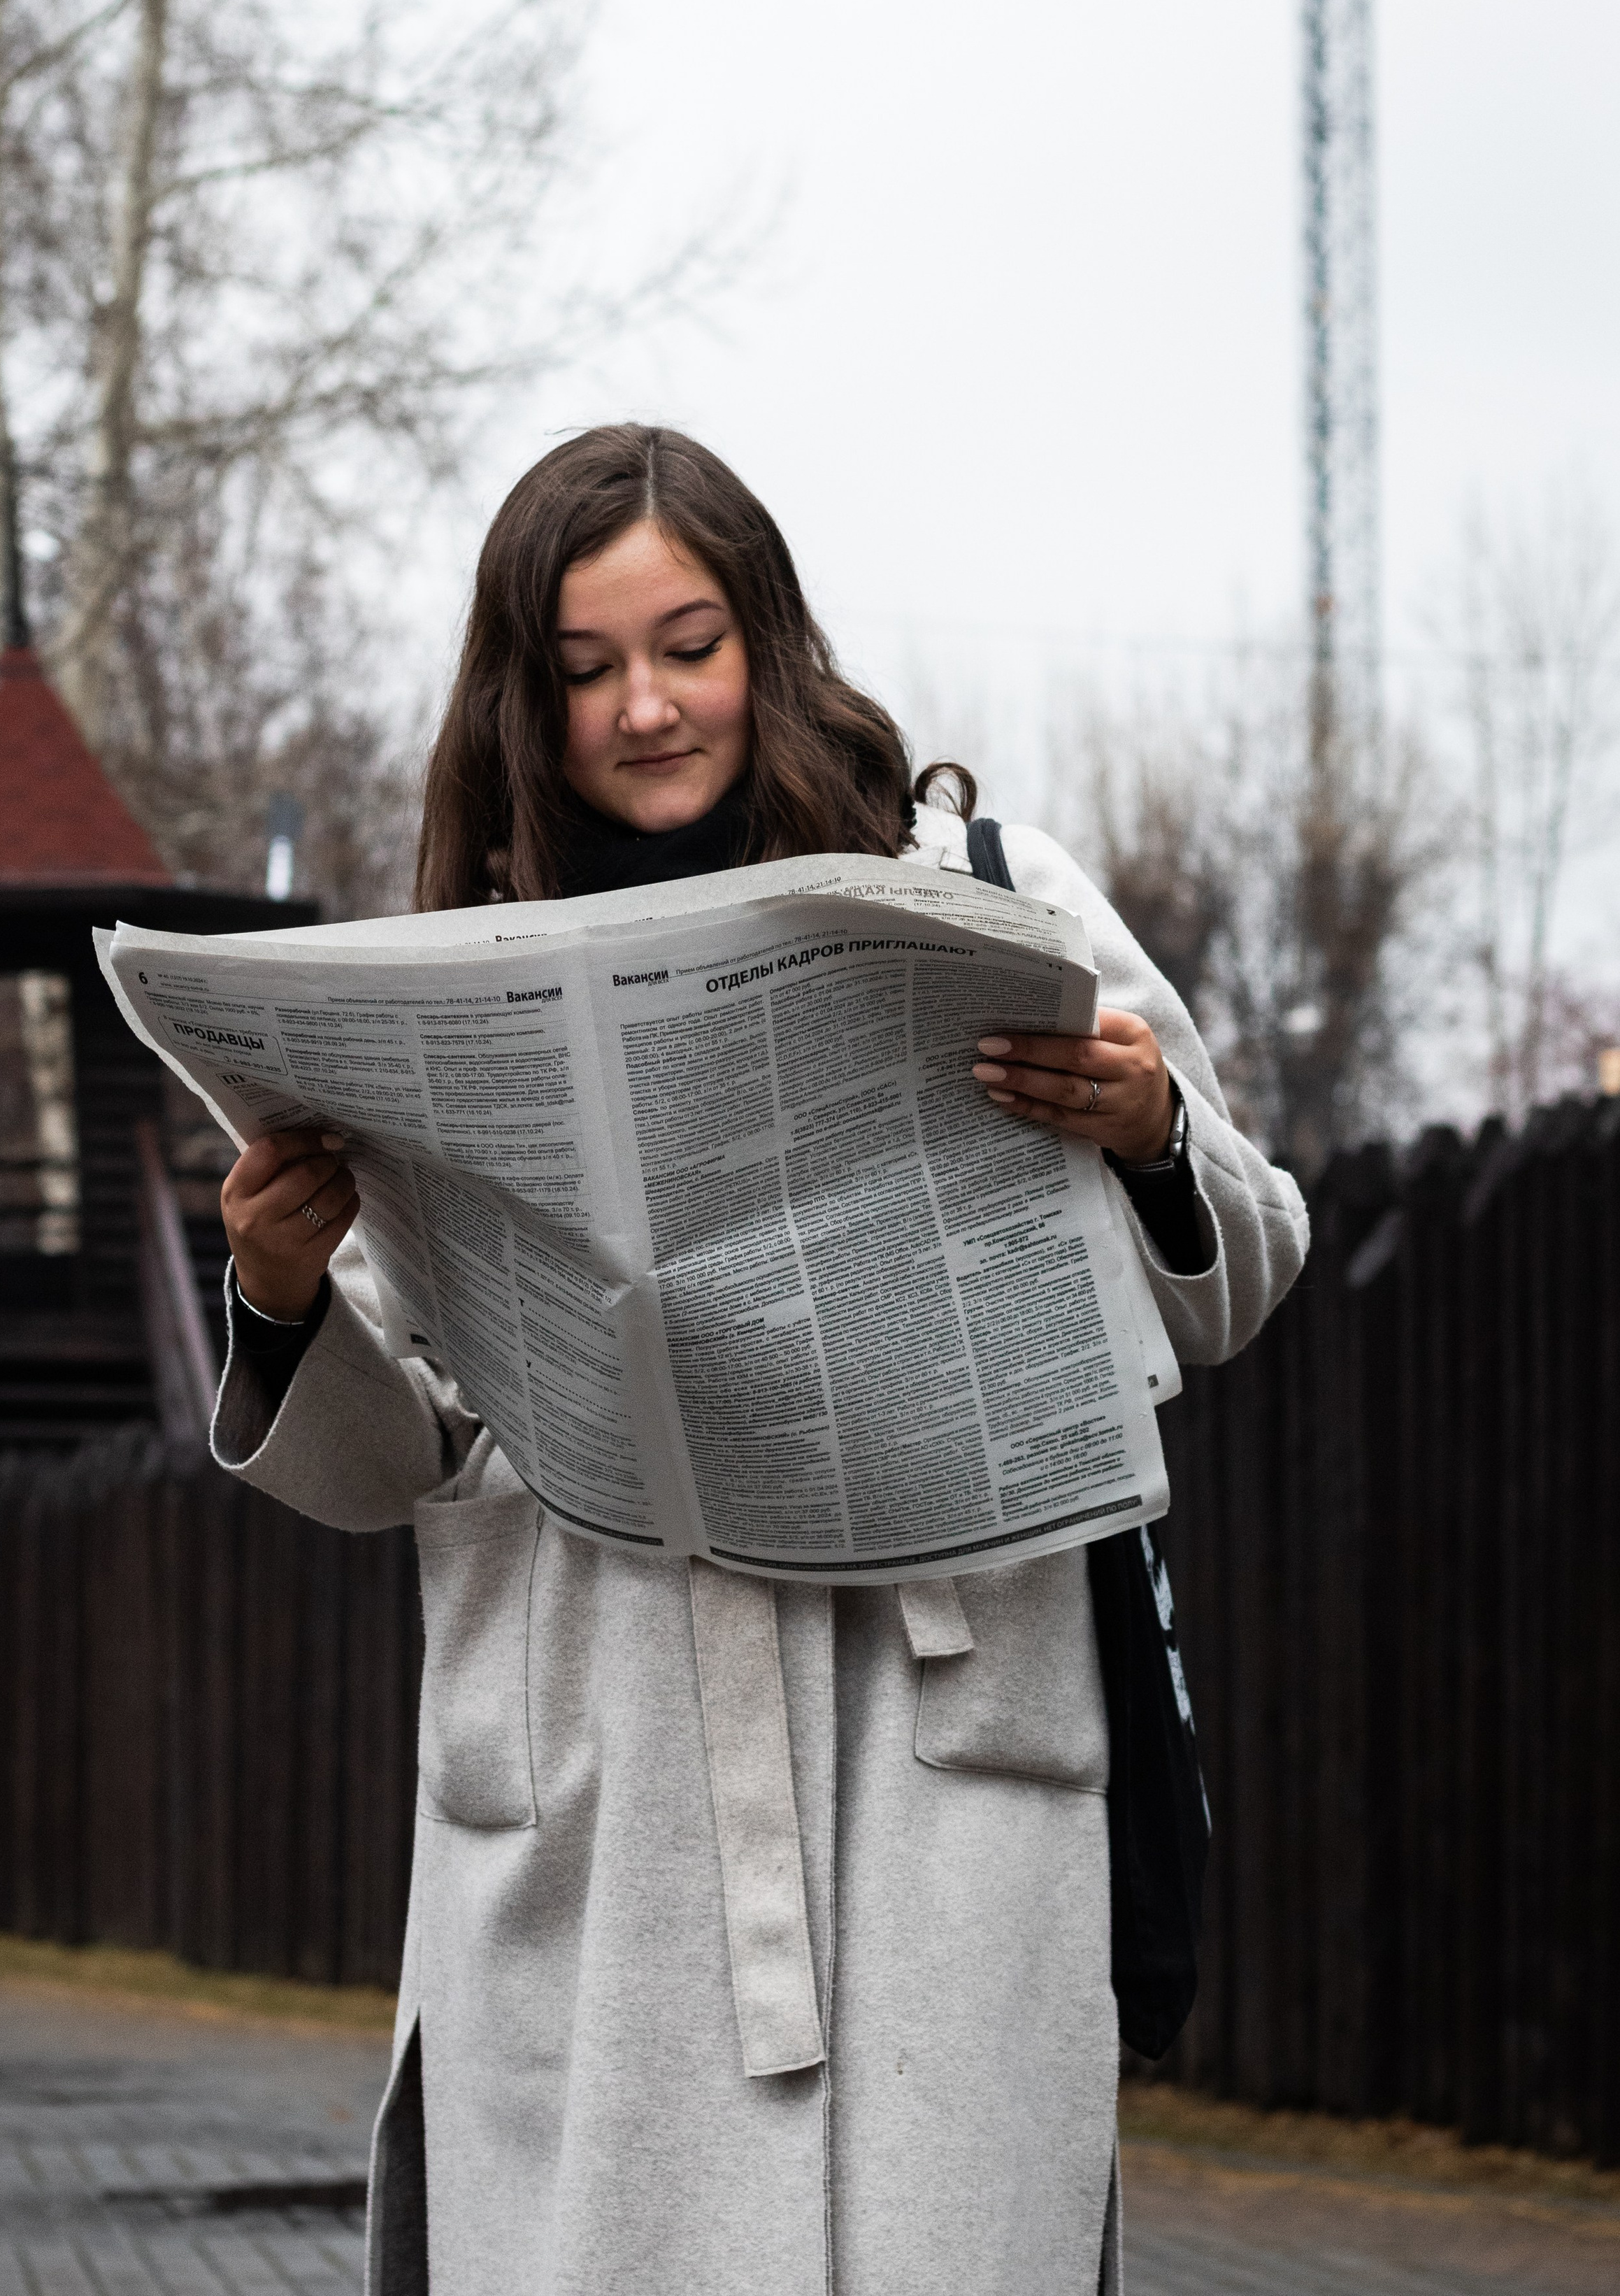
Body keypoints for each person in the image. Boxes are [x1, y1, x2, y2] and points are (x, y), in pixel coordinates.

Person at [214, 424, 1308, 2296]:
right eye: (584, 670)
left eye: (689, 644)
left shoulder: (988, 886)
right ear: (522, 703)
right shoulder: (450, 980)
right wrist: (281, 1290)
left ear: (769, 642)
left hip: (931, 1778)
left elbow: (1241, 1272)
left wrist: (1145, 1133)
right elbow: (381, 1460)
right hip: (603, 1786)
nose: (646, 707)